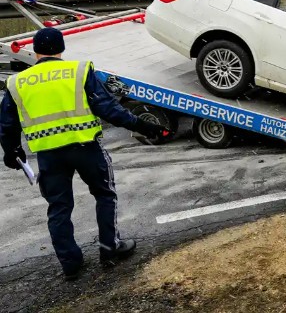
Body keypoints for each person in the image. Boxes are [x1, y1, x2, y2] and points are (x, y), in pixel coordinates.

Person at [1, 28, 166, 279]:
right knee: (104, 194)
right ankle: (109, 248)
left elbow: (7, 122)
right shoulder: (78, 71)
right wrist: (143, 125)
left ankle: (70, 264)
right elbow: (109, 109)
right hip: (85, 147)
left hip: (48, 155)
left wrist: (11, 150)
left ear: (35, 52)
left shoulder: (17, 82)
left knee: (58, 207)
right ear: (61, 49)